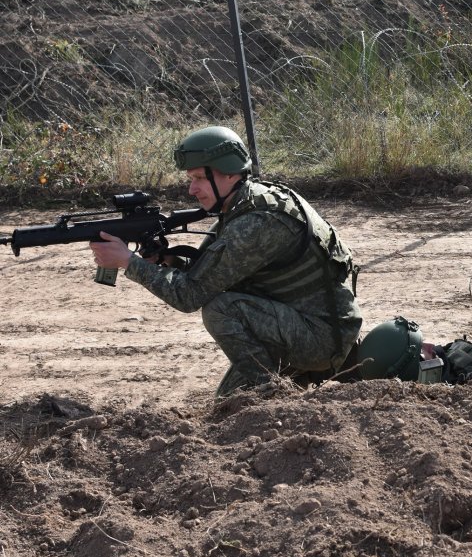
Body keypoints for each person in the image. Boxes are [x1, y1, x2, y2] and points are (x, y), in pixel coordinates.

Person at [89, 125, 362, 396]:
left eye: (199, 178)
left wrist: (128, 262)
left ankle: (274, 397)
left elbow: (189, 296)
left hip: (319, 338)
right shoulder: (246, 203)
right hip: (304, 324)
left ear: (230, 173)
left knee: (221, 310)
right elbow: (207, 275)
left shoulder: (256, 222)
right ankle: (280, 386)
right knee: (228, 406)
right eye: (190, 179)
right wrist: (168, 260)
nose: (191, 189)